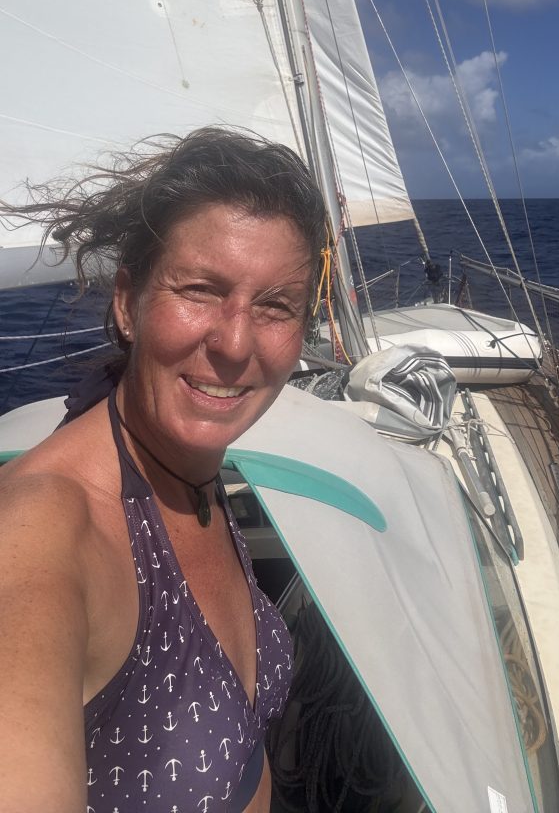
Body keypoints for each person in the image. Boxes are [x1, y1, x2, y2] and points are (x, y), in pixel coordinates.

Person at [0, 127, 327, 812]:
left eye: (275, 305)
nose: (235, 343)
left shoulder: (188, 469)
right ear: (128, 302)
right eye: (200, 290)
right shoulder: (41, 532)